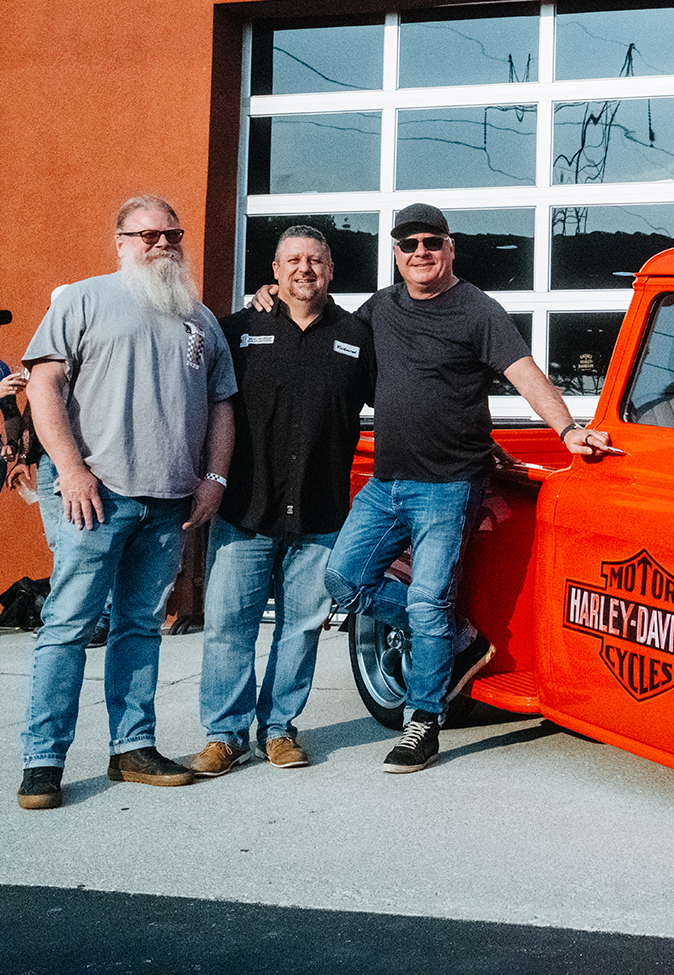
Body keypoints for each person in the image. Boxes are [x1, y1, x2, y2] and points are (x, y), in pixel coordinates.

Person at [322, 203, 614, 773]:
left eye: (432, 242)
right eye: (408, 244)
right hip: (387, 481)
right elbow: (328, 340)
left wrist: (569, 429)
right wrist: (275, 298)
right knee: (342, 580)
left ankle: (423, 722)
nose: (420, 253)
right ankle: (459, 640)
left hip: (448, 485)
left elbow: (526, 373)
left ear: (450, 248)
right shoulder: (381, 306)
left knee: (428, 600)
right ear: (396, 254)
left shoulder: (478, 311)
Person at [17, 195, 236, 810]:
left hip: (168, 505)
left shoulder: (199, 319)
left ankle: (132, 749)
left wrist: (213, 480)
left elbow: (221, 405)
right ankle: (43, 763)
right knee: (67, 626)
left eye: (172, 234)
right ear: (120, 241)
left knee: (140, 628)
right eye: (148, 236)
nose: (162, 244)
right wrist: (70, 470)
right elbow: (43, 384)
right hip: (95, 496)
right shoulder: (83, 300)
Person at [191, 227, 375, 778]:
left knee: (300, 629)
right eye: (292, 260)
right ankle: (225, 735)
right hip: (245, 511)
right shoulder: (236, 331)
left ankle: (279, 730)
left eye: (315, 260)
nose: (304, 269)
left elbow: (402, 401)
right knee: (229, 626)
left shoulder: (357, 337)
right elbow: (196, 404)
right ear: (273, 271)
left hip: (320, 514)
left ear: (331, 270)